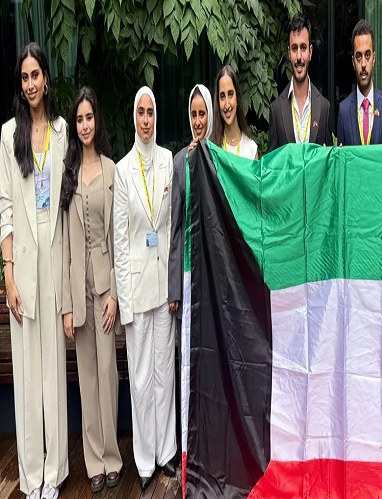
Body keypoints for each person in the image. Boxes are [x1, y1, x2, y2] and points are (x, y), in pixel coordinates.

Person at [0, 42, 68, 499]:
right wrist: (8, 274)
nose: (30, 84)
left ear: (46, 78)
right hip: (23, 262)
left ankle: (55, 471)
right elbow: (5, 207)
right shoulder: (9, 135)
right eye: (24, 77)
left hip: (54, 256)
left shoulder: (62, 130)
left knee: (53, 373)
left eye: (35, 75)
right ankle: (31, 475)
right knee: (27, 378)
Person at [113, 86, 176, 490]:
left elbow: (168, 227)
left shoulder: (168, 161)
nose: (146, 119)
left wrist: (174, 286)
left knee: (164, 373)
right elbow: (120, 242)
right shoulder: (123, 171)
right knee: (140, 379)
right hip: (137, 291)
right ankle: (144, 459)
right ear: (133, 117)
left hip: (163, 289)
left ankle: (166, 452)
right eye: (141, 112)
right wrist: (125, 303)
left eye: (151, 112)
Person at [60, 87, 122, 493]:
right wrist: (67, 305)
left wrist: (114, 292)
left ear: (97, 120)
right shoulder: (67, 175)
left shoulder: (111, 170)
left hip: (104, 289)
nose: (85, 125)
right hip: (78, 291)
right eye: (79, 119)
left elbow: (118, 238)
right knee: (86, 378)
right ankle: (93, 461)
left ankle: (112, 457)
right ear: (75, 125)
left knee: (107, 374)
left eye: (89, 117)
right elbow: (65, 244)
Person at [168, 84, 213, 335]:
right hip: (188, 273)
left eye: (202, 114)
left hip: (214, 270)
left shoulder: (220, 158)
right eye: (194, 115)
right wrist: (174, 288)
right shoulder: (179, 162)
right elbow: (175, 228)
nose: (197, 122)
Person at [268, 13, 333, 152]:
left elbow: (329, 161)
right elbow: (272, 164)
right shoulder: (276, 110)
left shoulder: (324, 108)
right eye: (294, 48)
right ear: (289, 53)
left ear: (310, 52)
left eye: (303, 48)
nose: (299, 57)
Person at [337, 19, 382, 146]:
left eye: (367, 55)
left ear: (374, 58)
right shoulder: (344, 110)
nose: (363, 64)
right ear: (353, 61)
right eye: (359, 56)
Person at [210, 65, 258, 160]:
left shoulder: (251, 149)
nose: (227, 105)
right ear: (218, 102)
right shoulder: (211, 149)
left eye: (230, 94)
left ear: (237, 97)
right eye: (222, 96)